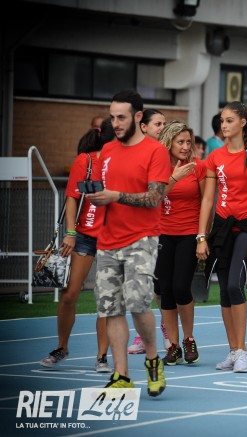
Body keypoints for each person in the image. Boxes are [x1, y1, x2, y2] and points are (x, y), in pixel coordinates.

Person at [85, 89, 169, 395]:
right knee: (111, 308)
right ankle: (121, 375)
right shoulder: (107, 150)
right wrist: (96, 196)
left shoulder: (155, 151)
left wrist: (115, 196)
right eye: (112, 117)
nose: (115, 123)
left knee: (137, 302)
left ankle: (152, 359)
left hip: (142, 238)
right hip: (108, 239)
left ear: (138, 116)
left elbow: (155, 197)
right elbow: (105, 192)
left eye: (121, 117)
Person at [196, 101, 247, 373]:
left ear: (243, 122)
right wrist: (201, 236)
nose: (224, 125)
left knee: (234, 286)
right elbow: (208, 200)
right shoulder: (214, 157)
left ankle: (242, 352)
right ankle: (232, 351)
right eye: (222, 120)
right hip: (221, 228)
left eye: (229, 120)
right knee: (224, 292)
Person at [39, 118, 114, 373]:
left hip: (113, 236)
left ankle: (102, 356)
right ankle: (62, 347)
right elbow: (71, 198)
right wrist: (70, 233)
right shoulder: (86, 161)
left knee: (106, 298)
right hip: (84, 235)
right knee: (70, 293)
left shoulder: (123, 161)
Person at [156, 121, 206, 365]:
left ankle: (188, 339)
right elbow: (153, 199)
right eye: (180, 142)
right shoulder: (157, 167)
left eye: (189, 142)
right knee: (165, 289)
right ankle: (173, 346)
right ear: (168, 143)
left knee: (180, 287)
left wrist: (202, 237)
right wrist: (173, 178)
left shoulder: (198, 167)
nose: (186, 147)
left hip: (188, 234)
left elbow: (207, 203)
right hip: (161, 234)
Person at [129, 108, 171, 354]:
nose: (162, 128)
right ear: (143, 126)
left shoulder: (166, 153)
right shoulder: (135, 155)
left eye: (164, 123)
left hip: (164, 227)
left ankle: (166, 329)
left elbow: (160, 194)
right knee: (141, 286)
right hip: (139, 227)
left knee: (160, 286)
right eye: (158, 124)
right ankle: (142, 336)